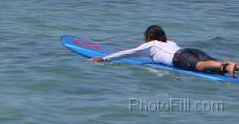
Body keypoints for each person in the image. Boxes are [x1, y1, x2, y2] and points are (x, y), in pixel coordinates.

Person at [90, 25, 239, 76]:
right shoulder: (169, 42)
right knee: (212, 64)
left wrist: (104, 59)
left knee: (200, 66)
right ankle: (233, 65)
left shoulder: (151, 44)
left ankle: (226, 67)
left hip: (179, 57)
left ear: (148, 37)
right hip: (189, 50)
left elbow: (128, 53)